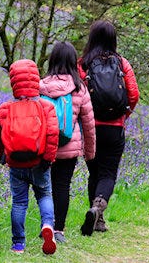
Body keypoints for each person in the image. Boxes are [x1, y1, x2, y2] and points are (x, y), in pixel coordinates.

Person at [77, 20, 139, 236]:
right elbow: (134, 94)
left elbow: (77, 95)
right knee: (108, 173)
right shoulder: (123, 63)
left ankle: (97, 217)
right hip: (114, 128)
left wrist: (83, 119)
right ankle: (98, 210)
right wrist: (124, 116)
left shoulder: (82, 64)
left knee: (93, 172)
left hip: (90, 127)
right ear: (113, 39)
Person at [0, 59, 60, 255]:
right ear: (36, 79)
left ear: (13, 81)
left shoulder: (5, 108)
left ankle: (18, 244)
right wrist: (48, 159)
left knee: (19, 202)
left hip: (16, 164)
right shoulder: (46, 107)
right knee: (44, 195)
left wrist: (2, 156)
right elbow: (53, 135)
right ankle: (48, 226)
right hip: (40, 163)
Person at [39, 42, 96, 243]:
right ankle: (58, 230)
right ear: (73, 62)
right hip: (68, 148)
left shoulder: (41, 86)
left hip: (45, 147)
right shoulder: (79, 88)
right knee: (62, 186)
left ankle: (45, 224)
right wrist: (89, 153)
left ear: (52, 60)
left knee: (45, 187)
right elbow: (89, 124)